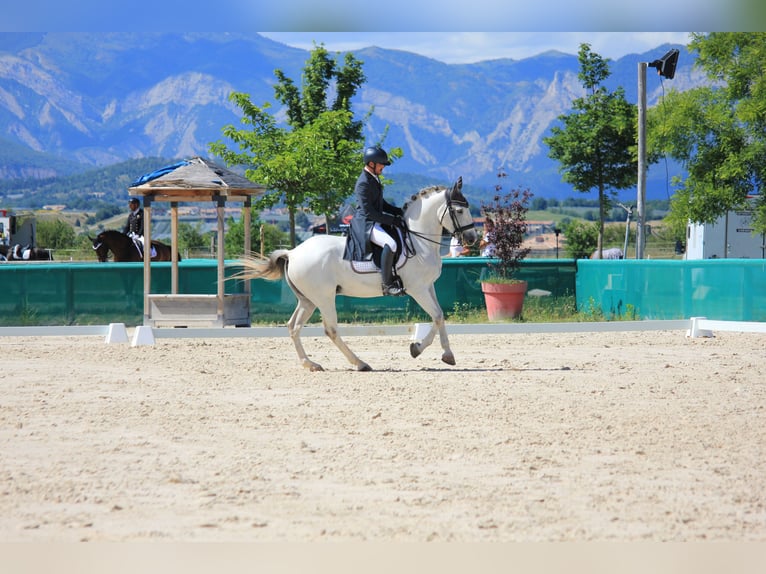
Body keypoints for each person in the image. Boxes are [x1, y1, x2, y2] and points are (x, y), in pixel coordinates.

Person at [344, 146, 406, 296]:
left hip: (374, 220)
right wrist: (392, 220)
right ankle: (387, 284)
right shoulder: (363, 183)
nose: (383, 167)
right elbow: (369, 212)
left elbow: (381, 204)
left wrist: (399, 212)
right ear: (372, 164)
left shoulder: (373, 178)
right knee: (390, 244)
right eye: (381, 164)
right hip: (366, 223)